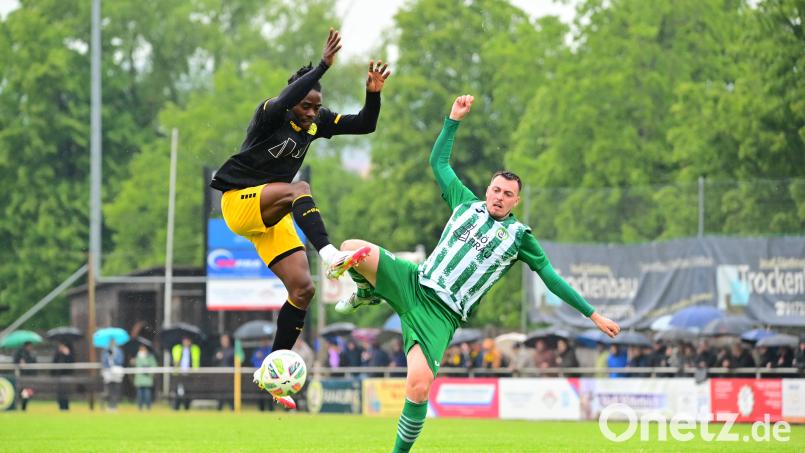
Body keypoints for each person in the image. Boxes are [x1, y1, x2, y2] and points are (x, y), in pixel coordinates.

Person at [334, 95, 620, 452]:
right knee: (351, 248)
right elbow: (438, 161)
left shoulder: (520, 238)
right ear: (488, 190)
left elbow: (551, 277)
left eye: (508, 194)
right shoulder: (464, 202)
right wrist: (453, 120)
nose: (500, 196)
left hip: (442, 314)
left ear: (516, 201)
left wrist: (592, 314)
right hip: (414, 282)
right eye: (496, 189)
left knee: (418, 387)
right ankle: (366, 291)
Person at [209, 28, 391, 410]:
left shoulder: (316, 122)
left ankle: (272, 372)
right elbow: (289, 97)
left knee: (303, 291)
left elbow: (365, 124)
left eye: (315, 108)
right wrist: (323, 65)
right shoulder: (270, 114)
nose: (311, 114)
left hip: (269, 217)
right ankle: (329, 254)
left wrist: (372, 94)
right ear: (292, 102)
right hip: (238, 204)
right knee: (299, 189)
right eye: (306, 106)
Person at [171, 336, 200, 410]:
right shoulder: (177, 348)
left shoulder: (194, 349)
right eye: (185, 340)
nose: (186, 342)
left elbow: (196, 361)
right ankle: (176, 407)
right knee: (178, 391)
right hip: (179, 373)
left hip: (189, 374)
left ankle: (186, 407)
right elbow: (174, 360)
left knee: (188, 392)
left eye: (187, 340)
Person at [101, 339, 125, 411]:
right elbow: (104, 361)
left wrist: (113, 357)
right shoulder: (105, 351)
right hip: (108, 373)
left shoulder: (119, 351)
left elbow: (120, 361)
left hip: (117, 373)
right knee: (109, 390)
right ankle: (109, 405)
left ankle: (114, 406)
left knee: (116, 389)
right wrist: (109, 356)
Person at [133, 344, 157, 410]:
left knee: (147, 393)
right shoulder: (137, 357)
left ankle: (148, 406)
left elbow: (154, 365)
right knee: (140, 394)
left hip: (147, 378)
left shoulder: (150, 357)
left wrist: (148, 369)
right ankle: (140, 407)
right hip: (139, 379)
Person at [52, 342, 74, 411]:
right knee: (60, 392)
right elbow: (54, 363)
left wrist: (67, 354)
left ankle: (66, 406)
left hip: (66, 375)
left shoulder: (69, 353)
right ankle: (61, 406)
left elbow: (71, 363)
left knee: (65, 391)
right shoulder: (57, 354)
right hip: (59, 375)